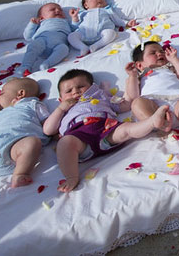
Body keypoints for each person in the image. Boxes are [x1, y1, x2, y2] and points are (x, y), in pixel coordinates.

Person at [44, 69, 172, 192]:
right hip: (80, 138)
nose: (75, 92)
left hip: (107, 129)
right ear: (60, 99)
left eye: (81, 86)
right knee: (65, 143)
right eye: (69, 91)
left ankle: (152, 122)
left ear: (92, 87)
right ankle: (71, 177)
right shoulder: (63, 110)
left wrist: (132, 77)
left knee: (127, 129)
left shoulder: (101, 95)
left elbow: (127, 103)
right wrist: (60, 109)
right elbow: (48, 130)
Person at [126, 42, 179, 154]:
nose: (159, 54)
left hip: (176, 100)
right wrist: (132, 76)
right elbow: (133, 96)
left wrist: (174, 59)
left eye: (161, 51)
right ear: (140, 65)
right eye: (153, 53)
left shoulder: (169, 68)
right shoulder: (139, 76)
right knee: (137, 103)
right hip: (153, 107)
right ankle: (160, 125)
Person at [67, 0, 136, 55]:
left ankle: (96, 46)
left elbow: (117, 20)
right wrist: (74, 18)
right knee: (71, 36)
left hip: (102, 34)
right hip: (83, 34)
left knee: (111, 33)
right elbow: (74, 27)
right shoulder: (83, 13)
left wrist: (126, 23)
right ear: (86, 5)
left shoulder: (107, 10)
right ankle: (82, 47)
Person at [21, 3, 74, 73]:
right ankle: (25, 66)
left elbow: (75, 29)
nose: (58, 11)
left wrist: (74, 18)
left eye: (60, 10)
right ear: (42, 17)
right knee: (33, 46)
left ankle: (46, 64)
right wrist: (32, 25)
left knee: (64, 49)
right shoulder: (42, 23)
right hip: (43, 39)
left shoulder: (66, 21)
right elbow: (28, 37)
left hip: (59, 43)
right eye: (52, 10)